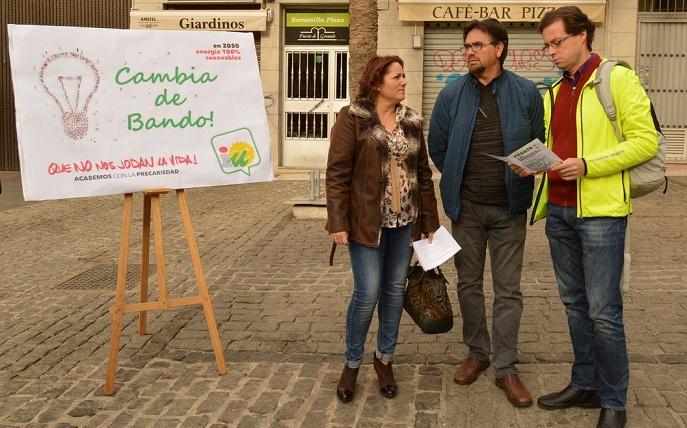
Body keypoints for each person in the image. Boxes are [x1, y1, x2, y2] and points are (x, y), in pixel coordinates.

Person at [515, 7, 658, 428]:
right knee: (575, 305)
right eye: (546, 45)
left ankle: (614, 400)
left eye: (557, 42)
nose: (550, 51)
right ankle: (585, 383)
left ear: (582, 36)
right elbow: (553, 146)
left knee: (603, 310)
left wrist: (588, 165)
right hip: (558, 209)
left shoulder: (617, 78)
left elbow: (645, 142)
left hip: (601, 213)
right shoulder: (554, 91)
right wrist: (534, 162)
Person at [428, 19, 544, 407]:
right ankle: (477, 353)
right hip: (467, 209)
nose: (470, 52)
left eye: (477, 45)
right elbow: (438, 147)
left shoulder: (527, 92)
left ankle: (507, 368)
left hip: (510, 207)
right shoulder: (451, 94)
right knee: (469, 285)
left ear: (500, 48)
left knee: (509, 290)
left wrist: (528, 167)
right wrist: (459, 178)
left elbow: (537, 140)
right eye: (466, 46)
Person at [326, 55, 440, 403]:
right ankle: (352, 363)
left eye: (405, 75)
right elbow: (337, 173)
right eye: (397, 76)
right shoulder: (353, 119)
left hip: (404, 223)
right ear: (378, 83)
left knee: (393, 291)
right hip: (367, 223)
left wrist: (430, 222)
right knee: (367, 294)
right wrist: (337, 222)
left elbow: (422, 173)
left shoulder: (412, 120)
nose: (404, 81)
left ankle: (384, 359)